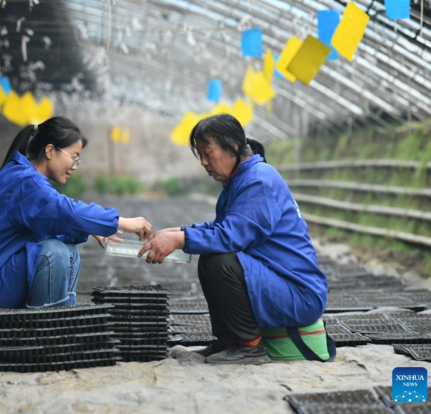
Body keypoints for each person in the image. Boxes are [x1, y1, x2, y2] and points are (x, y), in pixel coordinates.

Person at [138, 114, 327, 365]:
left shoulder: (258, 180)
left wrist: (181, 239)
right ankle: (228, 340)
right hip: (276, 280)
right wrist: (178, 232)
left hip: (298, 293)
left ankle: (249, 346)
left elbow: (230, 237)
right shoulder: (240, 179)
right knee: (211, 256)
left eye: (208, 153)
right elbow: (223, 228)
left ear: (234, 147)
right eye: (200, 155)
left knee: (220, 260)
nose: (204, 162)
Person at [0, 117, 152, 309]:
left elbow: (46, 225)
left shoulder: (22, 175)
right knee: (53, 252)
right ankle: (47, 336)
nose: (74, 166)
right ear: (49, 151)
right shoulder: (25, 182)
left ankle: (61, 324)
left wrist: (90, 227)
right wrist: (121, 222)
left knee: (69, 251)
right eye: (73, 157)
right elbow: (63, 210)